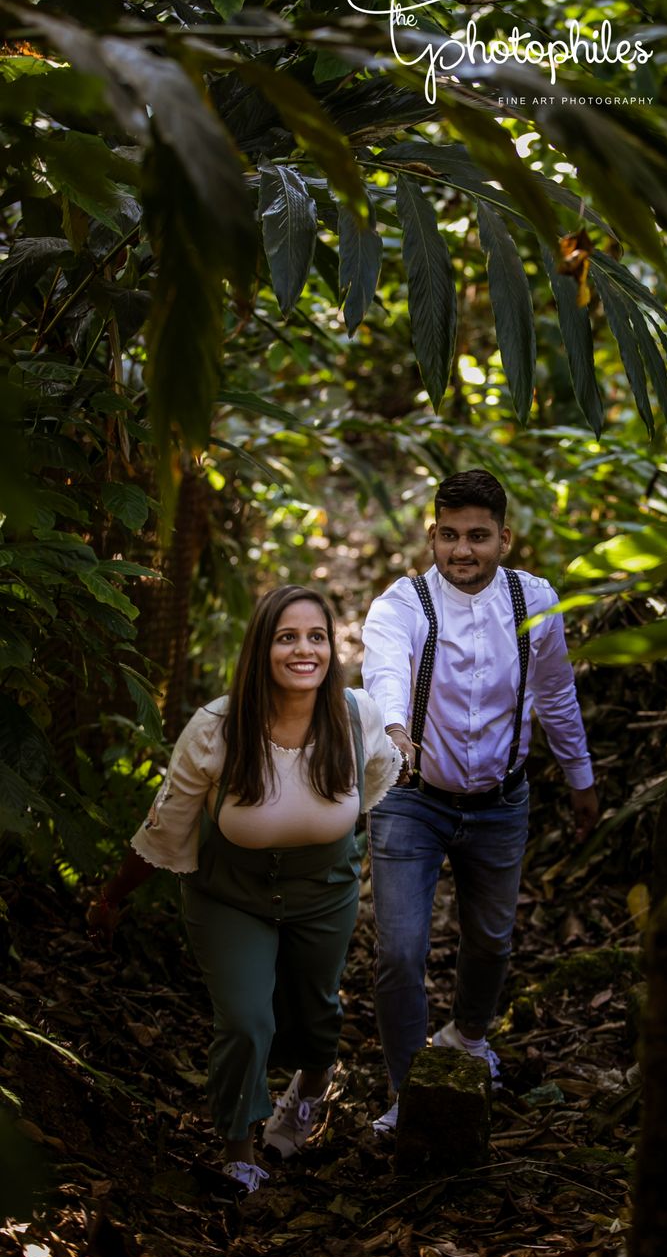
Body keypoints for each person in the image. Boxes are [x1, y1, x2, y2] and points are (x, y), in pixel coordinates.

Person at [86, 585, 401, 1193]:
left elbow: (383, 774)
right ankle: (238, 1148)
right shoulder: (218, 727)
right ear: (262, 648)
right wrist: (112, 896)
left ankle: (311, 1088)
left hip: (323, 892)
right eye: (287, 637)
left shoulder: (356, 715)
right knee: (247, 1020)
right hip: (229, 896)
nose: (304, 650)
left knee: (316, 1014)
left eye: (316, 637)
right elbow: (165, 823)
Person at [361, 469, 599, 1133]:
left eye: (477, 536)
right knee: (400, 952)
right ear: (431, 535)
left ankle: (468, 1037)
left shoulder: (535, 602)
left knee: (491, 939)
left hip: (501, 802)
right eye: (448, 535)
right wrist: (396, 733)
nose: (462, 550)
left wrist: (582, 780)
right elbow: (385, 672)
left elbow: (555, 694)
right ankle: (408, 1093)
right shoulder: (401, 604)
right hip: (412, 799)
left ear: (504, 537)